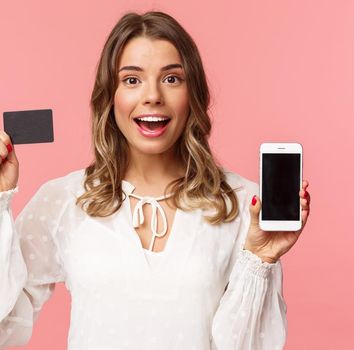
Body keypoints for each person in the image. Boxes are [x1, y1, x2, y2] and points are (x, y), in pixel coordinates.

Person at [0, 11, 310, 349]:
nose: (153, 96)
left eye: (172, 79)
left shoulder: (242, 203)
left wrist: (260, 259)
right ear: (110, 95)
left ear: (193, 94)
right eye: (132, 80)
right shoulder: (64, 199)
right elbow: (6, 326)